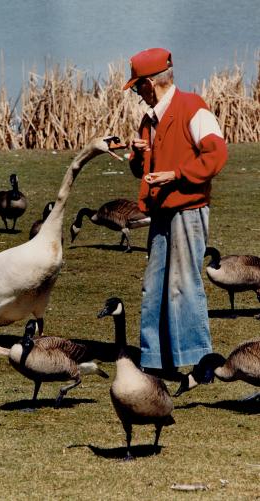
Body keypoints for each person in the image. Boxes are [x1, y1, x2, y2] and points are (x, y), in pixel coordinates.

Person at [123, 48, 228, 380]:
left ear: (151, 84)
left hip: (188, 209)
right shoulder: (149, 119)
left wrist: (176, 175)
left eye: (139, 87)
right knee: (154, 286)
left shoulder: (193, 108)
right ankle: (156, 360)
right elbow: (143, 170)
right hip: (162, 211)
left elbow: (217, 155)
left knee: (183, 284)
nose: (138, 94)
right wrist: (138, 156)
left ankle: (200, 361)